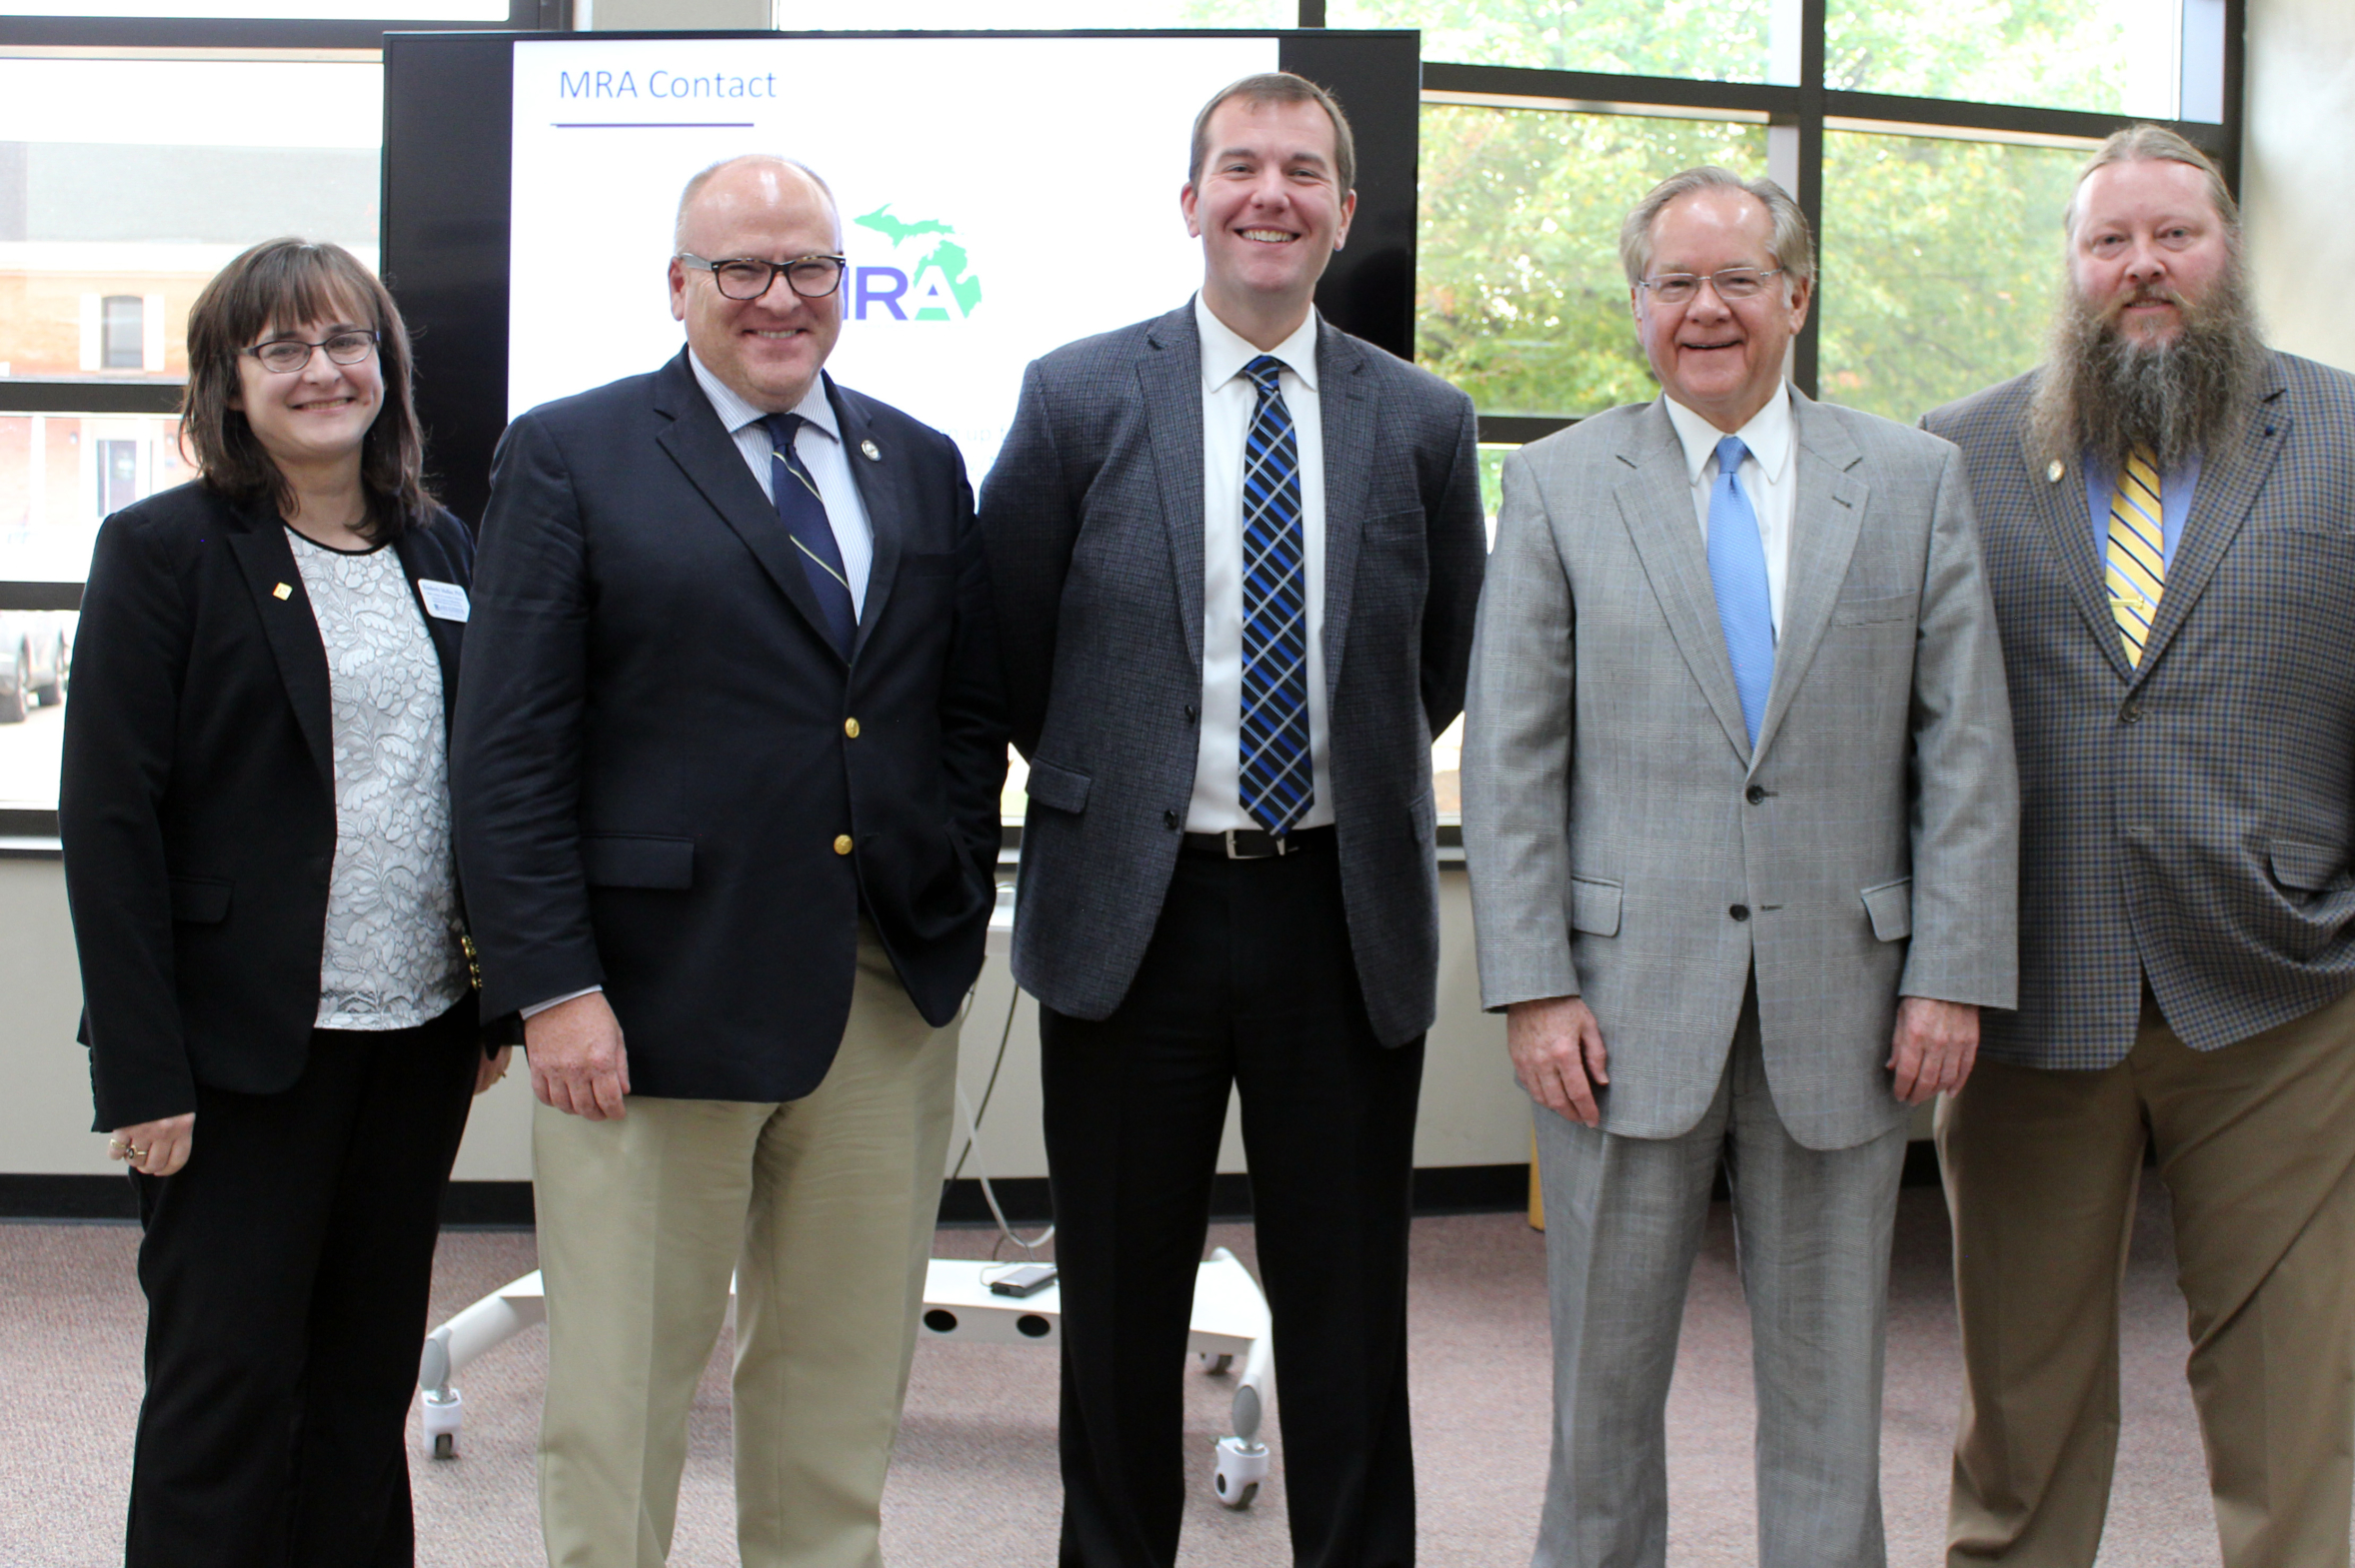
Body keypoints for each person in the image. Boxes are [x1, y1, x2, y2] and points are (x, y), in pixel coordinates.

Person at [1917, 124, 2355, 1568]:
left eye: (2174, 235)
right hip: (2031, 995)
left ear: (2229, 250)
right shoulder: (1963, 454)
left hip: (2292, 990)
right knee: (2022, 1389)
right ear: (2072, 268)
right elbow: (1911, 718)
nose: (2143, 268)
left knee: (2283, 1383)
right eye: (2109, 242)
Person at [450, 154, 1006, 1568]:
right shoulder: (572, 451)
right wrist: (549, 985)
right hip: (643, 1006)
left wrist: (941, 878)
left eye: (809, 266)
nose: (779, 297)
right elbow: (507, 747)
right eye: (743, 268)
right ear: (679, 285)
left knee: (838, 1387)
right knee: (621, 1393)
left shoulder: (919, 459)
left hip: (880, 994)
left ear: (846, 280)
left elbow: (957, 708)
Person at [1461, 166, 2018, 1568]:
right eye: (1675, 283)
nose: (1707, 309)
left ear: (1797, 296)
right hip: (1615, 1006)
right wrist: (1530, 986)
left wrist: (1949, 973)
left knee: (1834, 1396)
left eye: (1739, 281)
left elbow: (1966, 755)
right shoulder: (1559, 483)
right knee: (1602, 1391)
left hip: (1854, 995)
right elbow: (1514, 759)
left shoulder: (1912, 479)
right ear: (1638, 305)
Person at [976, 71, 1482, 1568]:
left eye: (1304, 171)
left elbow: (1440, 658)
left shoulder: (1423, 419)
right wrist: (1124, 788)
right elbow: (1009, 643)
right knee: (1121, 1301)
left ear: (1342, 211)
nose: (1272, 194)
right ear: (1188, 201)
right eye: (1241, 167)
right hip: (1135, 913)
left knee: (1344, 1301)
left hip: (1340, 911)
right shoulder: (1077, 395)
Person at [63, 237, 512, 1568]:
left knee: (363, 1385)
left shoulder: (443, 545)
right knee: (228, 1390)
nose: (322, 370)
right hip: (235, 1057)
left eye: (345, 341)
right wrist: (143, 1072)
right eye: (282, 348)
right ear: (230, 382)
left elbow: (474, 779)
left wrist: (490, 994)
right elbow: (110, 821)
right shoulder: (165, 550)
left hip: (415, 1041)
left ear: (387, 363)